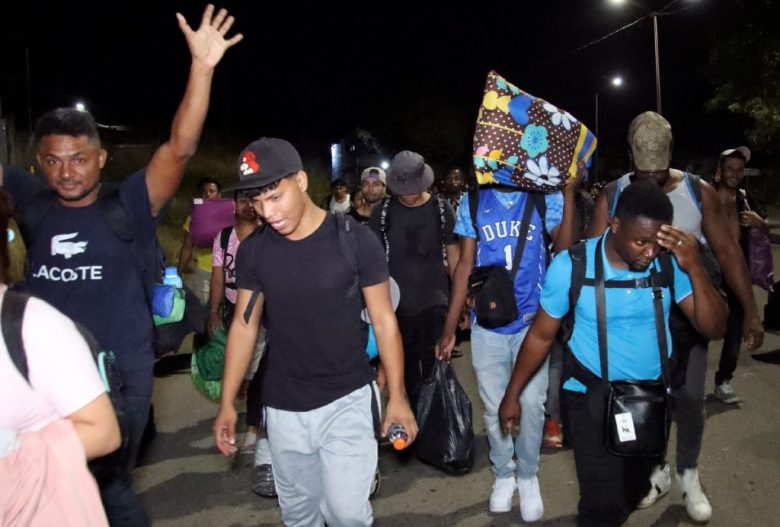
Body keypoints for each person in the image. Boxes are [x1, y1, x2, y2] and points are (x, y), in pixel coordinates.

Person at [0, 6, 241, 526]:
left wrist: (202, 68)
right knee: (54, 493)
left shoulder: (128, 204)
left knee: (106, 488)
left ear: (102, 157)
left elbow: (180, 147)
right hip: (42, 380)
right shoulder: (34, 202)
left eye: (80, 158)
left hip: (116, 382)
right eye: (54, 160)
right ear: (38, 163)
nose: (67, 172)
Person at [213, 138, 417, 526]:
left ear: (302, 181)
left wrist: (398, 395)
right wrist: (227, 401)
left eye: (275, 196)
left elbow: (384, 319)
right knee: (300, 516)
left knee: (345, 513)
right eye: (256, 202)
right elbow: (243, 325)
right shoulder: (255, 251)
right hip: (285, 407)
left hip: (348, 398)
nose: (266, 212)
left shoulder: (354, 240)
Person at [500, 181, 726, 526]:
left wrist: (695, 266)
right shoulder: (572, 265)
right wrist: (512, 395)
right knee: (601, 506)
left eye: (657, 242)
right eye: (641, 242)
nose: (649, 253)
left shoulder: (669, 265)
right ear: (615, 224)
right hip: (592, 398)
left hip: (650, 400)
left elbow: (714, 328)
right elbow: (541, 336)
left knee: (633, 489)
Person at [586, 111, 763, 522]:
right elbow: (592, 260)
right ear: (631, 157)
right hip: (635, 319)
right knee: (648, 400)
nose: (651, 183)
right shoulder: (612, 194)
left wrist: (751, 311)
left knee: (687, 399)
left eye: (659, 175)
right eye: (643, 175)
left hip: (686, 315)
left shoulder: (698, 192)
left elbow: (728, 254)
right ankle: (657, 469)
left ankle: (688, 472)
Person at [435, 160, 583, 522]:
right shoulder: (472, 203)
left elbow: (564, 252)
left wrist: (566, 192)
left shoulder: (540, 198)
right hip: (488, 324)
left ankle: (528, 474)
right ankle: (503, 474)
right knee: (493, 405)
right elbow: (464, 267)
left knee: (531, 404)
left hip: (533, 323)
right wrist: (451, 325)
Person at [0, 189, 121, 526]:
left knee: (121, 496)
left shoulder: (34, 326)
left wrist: (16, 456)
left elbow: (104, 432)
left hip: (42, 510)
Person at [369, 151, 459, 413]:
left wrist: (459, 304)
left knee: (434, 365)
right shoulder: (382, 212)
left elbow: (454, 257)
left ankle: (434, 421)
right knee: (405, 369)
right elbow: (372, 260)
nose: (409, 193)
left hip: (435, 300)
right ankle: (417, 416)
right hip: (396, 305)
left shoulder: (442, 210)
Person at [206, 189, 274, 497]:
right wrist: (213, 313)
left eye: (254, 199)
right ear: (233, 204)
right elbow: (218, 278)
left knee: (262, 372)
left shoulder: (270, 235)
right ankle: (241, 411)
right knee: (242, 371)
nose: (249, 205)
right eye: (244, 200)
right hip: (236, 311)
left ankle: (253, 430)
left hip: (268, 312)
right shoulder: (222, 239)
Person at [712, 146, 767, 403]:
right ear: (720, 170)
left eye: (739, 170)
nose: (734, 174)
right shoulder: (706, 197)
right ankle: (681, 384)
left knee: (735, 331)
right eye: (729, 169)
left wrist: (760, 222)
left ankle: (724, 380)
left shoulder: (745, 199)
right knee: (697, 331)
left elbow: (765, 232)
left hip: (737, 275)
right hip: (708, 275)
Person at [179, 177, 222, 303]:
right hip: (204, 271)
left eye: (212, 191)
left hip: (227, 272)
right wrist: (179, 272)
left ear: (219, 195)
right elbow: (187, 247)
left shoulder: (231, 216)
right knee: (203, 308)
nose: (208, 194)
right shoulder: (194, 218)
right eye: (204, 191)